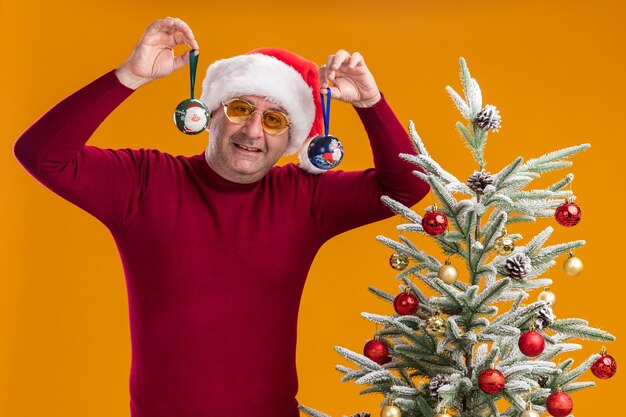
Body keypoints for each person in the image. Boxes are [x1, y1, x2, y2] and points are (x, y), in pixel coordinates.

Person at [13, 16, 429, 417]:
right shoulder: (144, 183)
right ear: (208, 113)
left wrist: (371, 104)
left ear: (291, 139)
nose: (252, 131)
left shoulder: (304, 197)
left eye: (273, 119)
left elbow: (408, 187)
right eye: (239, 109)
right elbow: (41, 155)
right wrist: (131, 75)